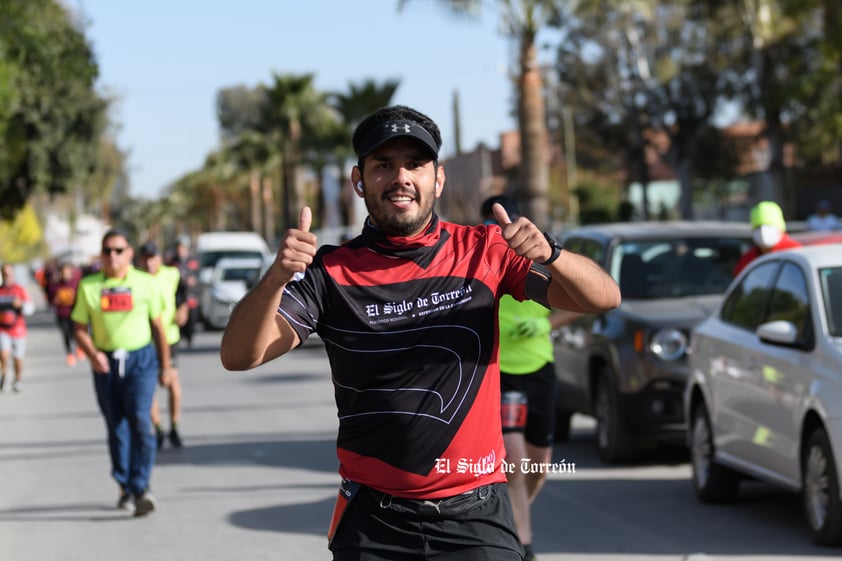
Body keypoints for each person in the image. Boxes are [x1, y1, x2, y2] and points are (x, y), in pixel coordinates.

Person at [220, 104, 621, 561]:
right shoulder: (328, 273)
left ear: (439, 178)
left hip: (476, 518)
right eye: (383, 165)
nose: (401, 177)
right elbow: (238, 355)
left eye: (415, 164)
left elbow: (603, 297)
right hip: (374, 522)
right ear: (359, 180)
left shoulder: (486, 251)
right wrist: (276, 277)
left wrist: (552, 254)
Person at [481, 195, 580, 561]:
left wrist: (543, 324)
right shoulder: (483, 263)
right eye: (492, 224)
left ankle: (515, 509)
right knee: (517, 462)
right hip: (502, 373)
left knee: (539, 463)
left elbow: (581, 302)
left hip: (539, 368)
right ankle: (523, 542)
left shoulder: (537, 259)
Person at [70, 229, 174, 517]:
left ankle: (141, 487)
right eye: (107, 251)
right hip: (105, 363)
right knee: (116, 427)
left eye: (119, 250)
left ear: (130, 253)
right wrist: (92, 354)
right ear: (101, 255)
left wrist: (165, 367)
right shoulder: (89, 286)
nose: (113, 256)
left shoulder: (144, 284)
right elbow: (78, 328)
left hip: (140, 360)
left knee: (140, 420)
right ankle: (125, 485)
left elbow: (158, 329)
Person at [138, 241, 186, 450]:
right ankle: (157, 429)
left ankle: (174, 427)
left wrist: (184, 309)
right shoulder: (136, 279)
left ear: (159, 258)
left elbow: (184, 294)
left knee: (172, 382)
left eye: (153, 257)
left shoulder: (172, 274)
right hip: (144, 339)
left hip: (169, 337)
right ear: (140, 260)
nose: (149, 263)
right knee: (149, 387)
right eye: (145, 258)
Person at [733, 201, 801, 276]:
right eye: (758, 227)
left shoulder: (795, 252)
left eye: (769, 226)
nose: (763, 231)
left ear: (780, 227)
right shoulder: (748, 259)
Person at [0, 263, 35, 393]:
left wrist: (21, 305)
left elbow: (30, 308)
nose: (7, 276)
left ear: (13, 274)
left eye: (9, 273)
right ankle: (4, 375)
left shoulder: (19, 289)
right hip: (3, 329)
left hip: (18, 329)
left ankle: (18, 379)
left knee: (18, 358)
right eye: (4, 273)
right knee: (3, 353)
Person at [46, 261, 84, 366]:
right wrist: (55, 301)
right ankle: (70, 354)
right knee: (66, 334)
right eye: (63, 272)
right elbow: (50, 299)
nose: (65, 274)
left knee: (75, 333)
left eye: (67, 271)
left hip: (75, 313)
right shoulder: (54, 285)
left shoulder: (76, 283)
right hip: (62, 314)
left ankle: (79, 347)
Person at [167, 237, 200, 347]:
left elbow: (197, 275)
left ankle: (190, 337)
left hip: (190, 295)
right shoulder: (172, 262)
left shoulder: (193, 261)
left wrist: (193, 280)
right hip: (178, 295)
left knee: (192, 318)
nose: (180, 249)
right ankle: (179, 337)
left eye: (183, 247)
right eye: (179, 247)